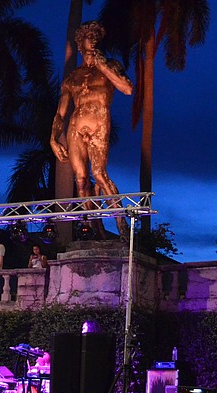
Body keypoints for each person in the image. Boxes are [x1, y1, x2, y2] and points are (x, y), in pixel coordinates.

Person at [50, 21, 133, 239]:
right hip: (76, 127)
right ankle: (94, 230)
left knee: (99, 173)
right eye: (89, 36)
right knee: (81, 180)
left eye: (96, 36)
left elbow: (127, 88)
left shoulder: (110, 66)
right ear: (81, 43)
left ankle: (122, 225)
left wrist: (103, 66)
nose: (93, 39)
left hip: (99, 122)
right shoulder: (72, 77)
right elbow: (60, 113)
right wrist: (53, 138)